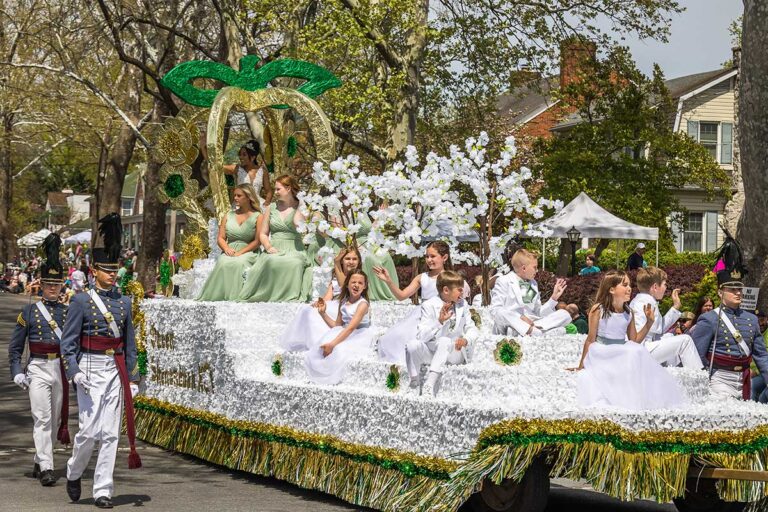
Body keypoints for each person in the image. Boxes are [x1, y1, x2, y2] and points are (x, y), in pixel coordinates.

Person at [60, 213, 141, 508]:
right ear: (94, 271)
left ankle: (103, 489)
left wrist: (132, 377)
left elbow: (130, 343)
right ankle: (74, 470)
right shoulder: (82, 301)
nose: (112, 275)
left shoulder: (124, 302)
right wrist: (73, 371)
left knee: (110, 433)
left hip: (114, 368)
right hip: (89, 368)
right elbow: (67, 342)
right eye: (106, 271)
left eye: (114, 270)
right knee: (88, 431)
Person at [572, 270, 686, 410]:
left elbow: (635, 340)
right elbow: (590, 340)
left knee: (636, 351)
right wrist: (581, 365)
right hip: (603, 351)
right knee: (631, 353)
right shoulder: (598, 309)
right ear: (612, 289)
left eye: (629, 285)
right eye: (625, 285)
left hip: (621, 350)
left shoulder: (628, 312)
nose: (629, 288)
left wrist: (649, 323)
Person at [8, 234, 70, 487]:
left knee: (54, 419)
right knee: (42, 418)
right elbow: (15, 346)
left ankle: (38, 457)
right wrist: (16, 371)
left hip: (60, 368)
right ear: (41, 285)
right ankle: (47, 466)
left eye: (56, 285)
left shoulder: (68, 312)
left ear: (62, 285)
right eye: (48, 284)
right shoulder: (29, 311)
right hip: (37, 366)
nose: (52, 288)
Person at [691, 266, 768, 400]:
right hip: (719, 379)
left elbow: (761, 355)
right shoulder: (709, 319)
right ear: (720, 293)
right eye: (732, 289)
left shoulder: (751, 319)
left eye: (739, 289)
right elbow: (697, 355)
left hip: (744, 379)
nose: (738, 293)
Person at [374, 241, 451, 364]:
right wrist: (388, 281)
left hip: (440, 314)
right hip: (420, 315)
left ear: (444, 257)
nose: (429, 260)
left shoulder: (450, 278)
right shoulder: (421, 277)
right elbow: (401, 296)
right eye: (426, 256)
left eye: (433, 256)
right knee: (397, 336)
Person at [405, 270, 480, 396]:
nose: (462, 293)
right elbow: (421, 337)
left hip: (454, 352)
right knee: (411, 345)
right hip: (433, 351)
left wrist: (466, 340)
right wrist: (439, 322)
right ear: (446, 290)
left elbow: (472, 328)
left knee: (445, 341)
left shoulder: (463, 304)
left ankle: (430, 384)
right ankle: (414, 381)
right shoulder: (428, 305)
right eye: (459, 290)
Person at [238, 175, 310, 302]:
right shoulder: (271, 207)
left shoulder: (301, 207)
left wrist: (300, 204)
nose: (274, 193)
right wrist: (268, 246)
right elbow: (263, 234)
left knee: (295, 263)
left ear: (288, 189)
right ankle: (267, 295)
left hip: (294, 248)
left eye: (278, 189)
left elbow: (298, 223)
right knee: (271, 261)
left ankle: (288, 297)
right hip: (274, 247)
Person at [279, 246, 362, 351]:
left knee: (316, 314)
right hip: (334, 303)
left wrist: (336, 263)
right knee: (308, 310)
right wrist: (320, 303)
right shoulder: (335, 277)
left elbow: (344, 286)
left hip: (347, 307)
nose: (351, 262)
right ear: (342, 261)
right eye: (347, 259)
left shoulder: (358, 277)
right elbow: (328, 296)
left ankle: (319, 343)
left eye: (354, 259)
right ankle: (310, 342)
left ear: (359, 261)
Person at [305, 269, 373, 384]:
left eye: (360, 283)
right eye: (353, 282)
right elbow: (337, 326)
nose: (356, 285)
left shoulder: (363, 304)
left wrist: (332, 344)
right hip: (344, 332)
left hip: (359, 334)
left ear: (365, 286)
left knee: (338, 350)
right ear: (347, 284)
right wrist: (323, 313)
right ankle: (320, 378)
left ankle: (332, 379)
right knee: (318, 348)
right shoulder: (343, 302)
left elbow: (351, 328)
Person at [198, 184, 263, 301]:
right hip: (230, 249)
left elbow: (258, 241)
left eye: (239, 196)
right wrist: (226, 249)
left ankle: (237, 297)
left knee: (239, 263)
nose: (235, 198)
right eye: (235, 195)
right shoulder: (228, 215)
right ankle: (219, 296)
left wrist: (241, 252)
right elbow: (221, 238)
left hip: (249, 250)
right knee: (222, 262)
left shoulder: (258, 216)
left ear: (248, 197)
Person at [629, 267, 703, 370]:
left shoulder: (644, 300)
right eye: (664, 284)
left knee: (669, 336)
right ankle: (698, 380)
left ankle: (674, 376)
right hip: (641, 350)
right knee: (685, 341)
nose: (666, 288)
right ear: (655, 287)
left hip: (644, 347)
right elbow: (658, 330)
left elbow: (659, 328)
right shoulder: (646, 303)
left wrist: (676, 306)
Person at [489, 249, 571, 336]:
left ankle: (534, 332)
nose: (537, 271)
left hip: (532, 323)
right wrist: (519, 318)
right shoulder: (504, 281)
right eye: (534, 267)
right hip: (511, 323)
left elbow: (538, 313)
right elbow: (495, 311)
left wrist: (553, 298)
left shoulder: (533, 284)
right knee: (502, 312)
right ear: (524, 268)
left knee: (564, 314)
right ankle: (535, 332)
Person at [222, 140, 273, 208]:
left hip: (258, 205)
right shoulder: (237, 168)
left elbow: (269, 191)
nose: (240, 157)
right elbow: (218, 168)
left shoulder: (262, 170)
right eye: (240, 154)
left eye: (244, 155)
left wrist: (266, 204)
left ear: (253, 157)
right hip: (240, 206)